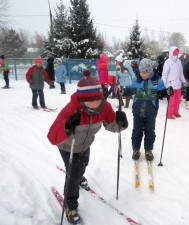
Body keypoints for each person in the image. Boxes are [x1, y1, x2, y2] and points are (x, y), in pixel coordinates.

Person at [47, 69, 128, 224]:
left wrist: (121, 123)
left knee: (84, 164)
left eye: (97, 100)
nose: (95, 104)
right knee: (72, 173)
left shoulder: (104, 107)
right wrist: (67, 125)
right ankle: (70, 205)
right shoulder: (71, 109)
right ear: (82, 99)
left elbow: (112, 126)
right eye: (90, 101)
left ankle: (79, 175)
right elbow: (52, 136)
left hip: (85, 144)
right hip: (67, 146)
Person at [130, 58, 166, 161]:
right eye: (141, 71)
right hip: (137, 111)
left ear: (150, 71)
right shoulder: (136, 80)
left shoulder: (157, 81)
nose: (142, 74)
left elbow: (162, 92)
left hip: (151, 112)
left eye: (145, 72)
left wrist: (167, 92)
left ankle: (148, 150)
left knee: (150, 132)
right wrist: (124, 91)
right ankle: (136, 149)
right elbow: (130, 90)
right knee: (137, 131)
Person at [162, 46, 188, 119]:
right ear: (171, 53)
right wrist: (163, 85)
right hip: (170, 86)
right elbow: (164, 74)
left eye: (177, 53)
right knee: (171, 101)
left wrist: (184, 81)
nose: (176, 55)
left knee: (177, 100)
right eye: (174, 53)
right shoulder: (167, 62)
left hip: (178, 85)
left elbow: (181, 74)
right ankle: (169, 114)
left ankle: (175, 112)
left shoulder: (179, 62)